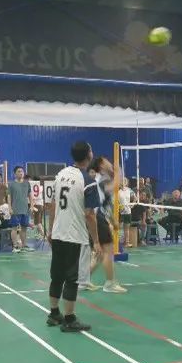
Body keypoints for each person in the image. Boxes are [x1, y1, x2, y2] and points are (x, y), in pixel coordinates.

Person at [46, 141, 101, 332]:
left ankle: (54, 314)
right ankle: (69, 319)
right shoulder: (87, 180)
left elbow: (52, 204)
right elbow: (90, 214)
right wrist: (96, 241)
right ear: (89, 155)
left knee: (56, 276)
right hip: (74, 235)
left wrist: (50, 230)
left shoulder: (60, 174)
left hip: (58, 233)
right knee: (71, 279)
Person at [86, 156, 127, 293]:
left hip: (98, 217)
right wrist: (118, 172)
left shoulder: (100, 179)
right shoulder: (101, 178)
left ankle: (83, 280)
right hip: (97, 218)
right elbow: (113, 187)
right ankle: (110, 284)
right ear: (102, 165)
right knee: (108, 251)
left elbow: (105, 204)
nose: (110, 163)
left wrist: (113, 220)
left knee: (99, 254)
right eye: (106, 161)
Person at [8, 166, 33, 253]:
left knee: (24, 228)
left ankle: (24, 245)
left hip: (25, 209)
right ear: (15, 173)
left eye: (22, 171)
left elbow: (30, 195)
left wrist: (32, 206)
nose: (21, 173)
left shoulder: (27, 183)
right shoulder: (11, 184)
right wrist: (10, 208)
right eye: (19, 171)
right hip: (15, 209)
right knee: (14, 228)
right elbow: (9, 197)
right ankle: (15, 246)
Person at [118, 177, 136, 248]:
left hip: (128, 211)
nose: (123, 182)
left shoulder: (129, 190)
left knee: (126, 228)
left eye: (124, 181)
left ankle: (127, 243)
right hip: (120, 212)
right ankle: (117, 243)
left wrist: (132, 205)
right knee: (118, 227)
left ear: (126, 183)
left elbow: (135, 198)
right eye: (122, 181)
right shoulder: (117, 190)